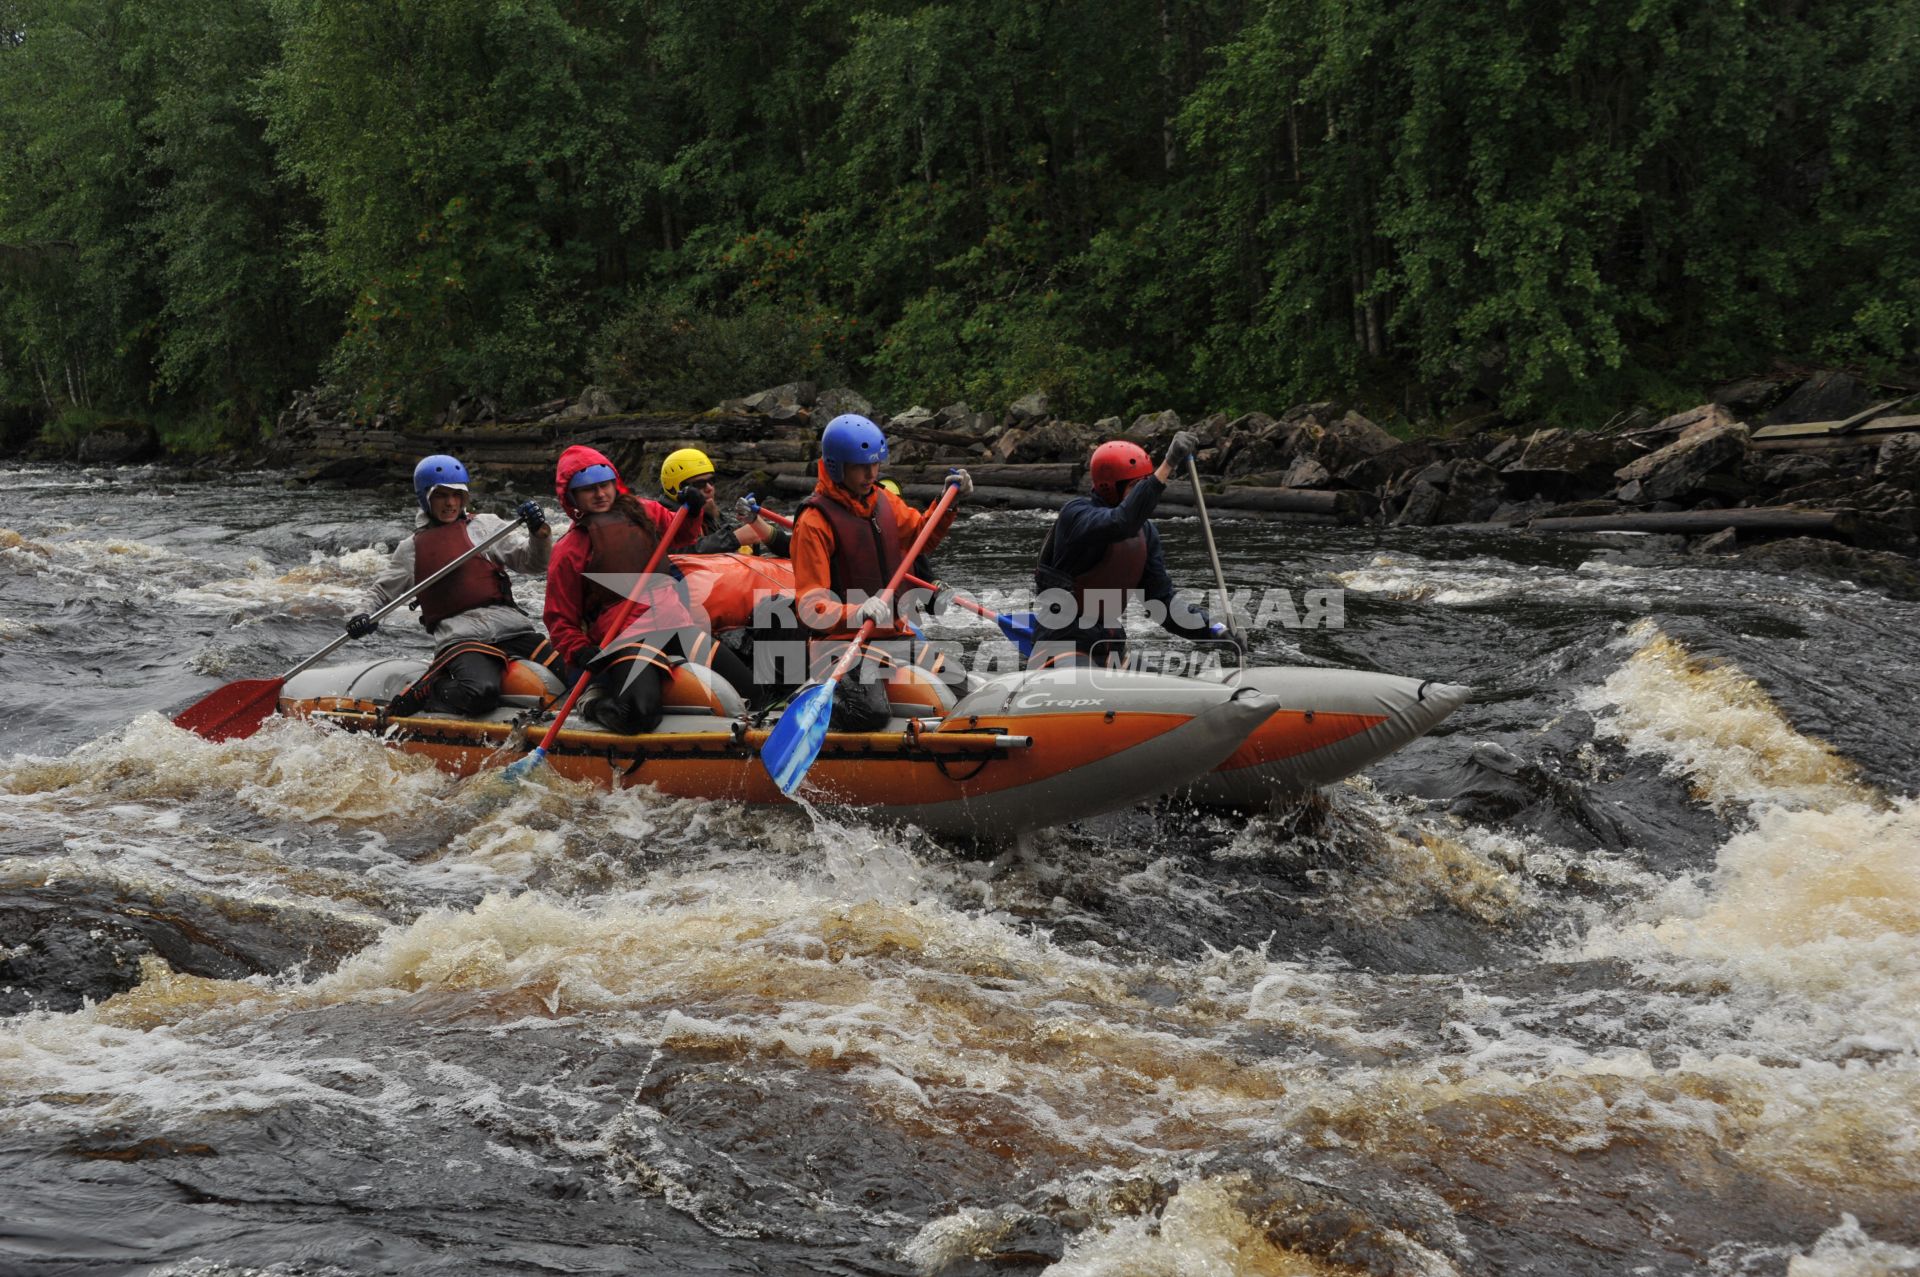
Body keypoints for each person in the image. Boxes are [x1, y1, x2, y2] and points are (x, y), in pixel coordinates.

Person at [543, 445, 755, 734]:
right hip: (624, 638)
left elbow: (682, 534)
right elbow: (559, 618)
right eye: (589, 489)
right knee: (640, 715)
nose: (600, 494)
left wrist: (692, 510)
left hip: (673, 624)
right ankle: (592, 702)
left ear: (613, 483)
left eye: (604, 485)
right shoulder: (569, 550)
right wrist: (579, 651)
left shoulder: (645, 511)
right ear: (572, 496)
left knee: (751, 690)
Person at [788, 414, 971, 730]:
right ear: (836, 466)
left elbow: (920, 536)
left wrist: (947, 503)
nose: (871, 473)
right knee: (869, 712)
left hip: (895, 635)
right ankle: (810, 693)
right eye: (861, 466)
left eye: (874, 464)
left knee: (961, 685)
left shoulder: (883, 501)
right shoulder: (813, 523)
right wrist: (856, 612)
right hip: (842, 644)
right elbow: (810, 606)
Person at [349, 453, 558, 718]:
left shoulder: (486, 526)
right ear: (425, 498)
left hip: (513, 629)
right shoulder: (411, 549)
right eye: (441, 495)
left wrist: (539, 533)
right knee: (480, 692)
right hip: (461, 637)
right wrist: (359, 615)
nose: (450, 503)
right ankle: (429, 689)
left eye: (457, 495)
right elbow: (381, 591)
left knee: (572, 669)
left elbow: (533, 564)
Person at [1029, 430, 1244, 668]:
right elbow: (1121, 521)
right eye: (1135, 486)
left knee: (1166, 685)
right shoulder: (1077, 515)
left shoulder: (1146, 533)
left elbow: (1163, 604)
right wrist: (1168, 463)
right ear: (1109, 487)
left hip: (1108, 645)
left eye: (1145, 484)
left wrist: (1215, 628)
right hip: (1062, 645)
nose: (1142, 495)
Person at [658, 447, 778, 553]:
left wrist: (715, 515)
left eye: (712, 481)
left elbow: (718, 539)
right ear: (674, 489)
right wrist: (734, 538)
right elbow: (677, 550)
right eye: (699, 484)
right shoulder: (661, 519)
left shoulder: (708, 511)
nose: (709, 488)